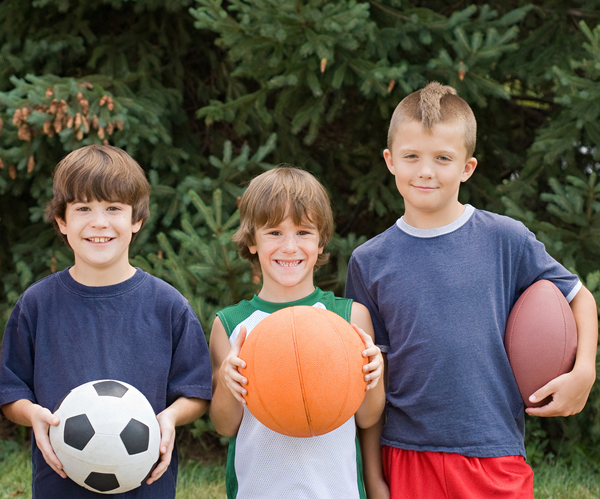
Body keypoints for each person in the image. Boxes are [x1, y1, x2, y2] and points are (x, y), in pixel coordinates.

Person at [345, 82, 598, 499]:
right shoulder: (369, 261)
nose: (426, 171)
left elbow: (579, 297)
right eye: (412, 157)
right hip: (406, 452)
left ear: (468, 167)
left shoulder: (505, 240)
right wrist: (374, 477)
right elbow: (371, 378)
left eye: (443, 158)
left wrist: (584, 370)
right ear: (390, 161)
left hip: (493, 449)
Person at [0, 145, 212, 499]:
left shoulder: (168, 306)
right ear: (62, 221)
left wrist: (171, 418)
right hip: (60, 484)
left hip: (146, 485)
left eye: (113, 208)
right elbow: (11, 391)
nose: (99, 222)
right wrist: (32, 415)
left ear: (136, 220)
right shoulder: (37, 305)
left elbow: (195, 391)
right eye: (83, 208)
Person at [209, 166, 386, 499]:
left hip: (336, 490)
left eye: (303, 232)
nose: (289, 246)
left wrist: (374, 377)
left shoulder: (349, 317)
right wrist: (228, 383)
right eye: (274, 232)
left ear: (321, 243)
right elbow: (224, 425)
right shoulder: (232, 324)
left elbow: (367, 417)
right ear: (251, 242)